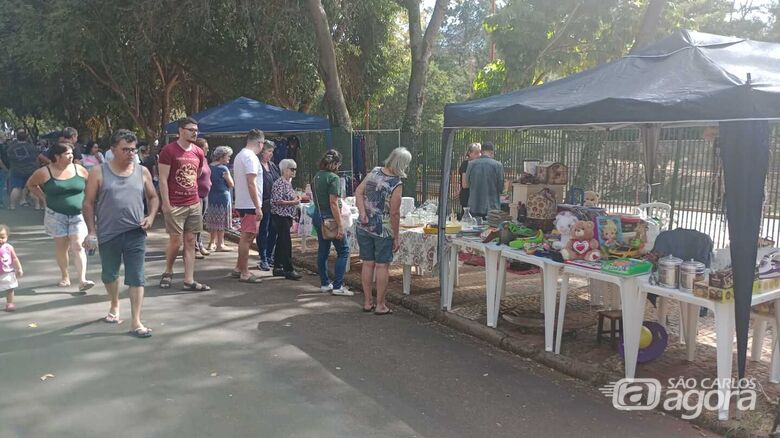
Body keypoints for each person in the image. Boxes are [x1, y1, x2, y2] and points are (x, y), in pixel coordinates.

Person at [82, 129, 159, 338]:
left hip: (136, 232)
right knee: (109, 275)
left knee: (137, 277)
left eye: (133, 149)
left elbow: (153, 197)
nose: (131, 153)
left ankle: (136, 321)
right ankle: (114, 304)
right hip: (108, 234)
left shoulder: (142, 171)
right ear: (113, 149)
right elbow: (88, 204)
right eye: (125, 149)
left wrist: (150, 217)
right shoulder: (98, 172)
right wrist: (91, 231)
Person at [26, 143, 94, 291]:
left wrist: (90, 202)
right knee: (62, 247)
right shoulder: (44, 172)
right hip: (56, 215)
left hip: (78, 214)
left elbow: (91, 185)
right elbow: (31, 185)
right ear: (57, 156)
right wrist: (43, 198)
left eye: (71, 153)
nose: (71, 156)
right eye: (67, 153)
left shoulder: (79, 169)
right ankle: (65, 276)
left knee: (78, 245)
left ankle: (82, 280)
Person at [355, 147, 411, 315]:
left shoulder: (374, 172)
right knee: (381, 266)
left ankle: (367, 302)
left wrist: (363, 213)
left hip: (364, 225)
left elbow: (358, 192)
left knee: (367, 263)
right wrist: (396, 236)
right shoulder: (396, 183)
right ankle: (380, 305)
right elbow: (394, 213)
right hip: (383, 229)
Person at [158, 117, 211, 291]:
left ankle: (189, 280)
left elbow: (198, 173)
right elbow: (163, 180)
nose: (195, 133)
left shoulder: (198, 152)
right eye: (191, 129)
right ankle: (168, 270)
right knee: (176, 241)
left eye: (196, 130)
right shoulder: (169, 151)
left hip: (194, 202)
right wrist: (166, 204)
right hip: (175, 204)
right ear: (181, 131)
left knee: (190, 240)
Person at [312, 150, 353, 296]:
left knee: (323, 250)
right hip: (330, 218)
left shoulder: (317, 176)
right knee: (344, 250)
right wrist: (340, 224)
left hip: (318, 215)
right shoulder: (333, 178)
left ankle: (324, 283)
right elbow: (334, 203)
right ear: (335, 163)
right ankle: (338, 286)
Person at [231, 129, 264, 284]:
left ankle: (239, 268)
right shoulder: (250, 157)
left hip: (244, 201)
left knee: (246, 236)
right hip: (250, 203)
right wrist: (258, 206)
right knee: (247, 237)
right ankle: (244, 272)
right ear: (260, 143)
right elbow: (251, 183)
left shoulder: (240, 155)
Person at [270, 159, 302, 280]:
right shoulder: (279, 183)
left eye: (295, 169)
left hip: (286, 215)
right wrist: (293, 202)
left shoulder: (288, 183)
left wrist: (296, 198)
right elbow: (277, 201)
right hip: (280, 215)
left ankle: (278, 266)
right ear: (285, 170)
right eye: (292, 169)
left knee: (281, 241)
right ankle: (289, 269)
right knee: (286, 242)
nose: (294, 172)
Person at [204, 146, 234, 252]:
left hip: (212, 195)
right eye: (227, 156)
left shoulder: (209, 167)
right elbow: (231, 184)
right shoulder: (223, 168)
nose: (229, 159)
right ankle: (220, 244)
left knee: (213, 219)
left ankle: (211, 242)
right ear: (221, 157)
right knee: (221, 221)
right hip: (223, 196)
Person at [256, 140, 280, 271]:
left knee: (274, 230)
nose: (271, 154)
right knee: (263, 231)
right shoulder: (257, 165)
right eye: (269, 151)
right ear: (262, 152)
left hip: (275, 204)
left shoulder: (273, 165)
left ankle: (270, 255)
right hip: (263, 203)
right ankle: (263, 258)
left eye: (272, 151)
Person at [465, 142, 504, 219]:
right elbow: (500, 186)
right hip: (492, 206)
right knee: (491, 229)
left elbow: (467, 183)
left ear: (481, 152)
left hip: (474, 205)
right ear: (492, 152)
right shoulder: (498, 165)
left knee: (473, 229)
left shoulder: (471, 164)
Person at [6, 129, 41, 210]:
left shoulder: (11, 148)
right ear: (26, 138)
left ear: (17, 137)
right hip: (31, 170)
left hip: (17, 171)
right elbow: (37, 158)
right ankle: (37, 205)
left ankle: (12, 206)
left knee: (16, 188)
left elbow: (8, 158)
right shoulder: (32, 147)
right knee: (33, 187)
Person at [193, 138, 212, 259]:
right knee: (195, 222)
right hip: (197, 195)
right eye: (206, 148)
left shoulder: (204, 159)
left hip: (205, 195)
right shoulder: (195, 159)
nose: (208, 150)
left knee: (201, 222)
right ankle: (194, 247)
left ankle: (199, 244)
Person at [0, 224, 23, 312]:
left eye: (2, 237)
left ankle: (10, 303)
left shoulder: (9, 248)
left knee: (10, 288)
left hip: (7, 272)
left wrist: (19, 268)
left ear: (7, 237)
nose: (0, 240)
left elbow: (14, 258)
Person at [458, 143, 481, 220]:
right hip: (467, 196)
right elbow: (465, 184)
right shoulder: (466, 164)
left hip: (476, 196)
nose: (479, 155)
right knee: (467, 218)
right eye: (476, 153)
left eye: (479, 152)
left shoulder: (478, 165)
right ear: (469, 153)